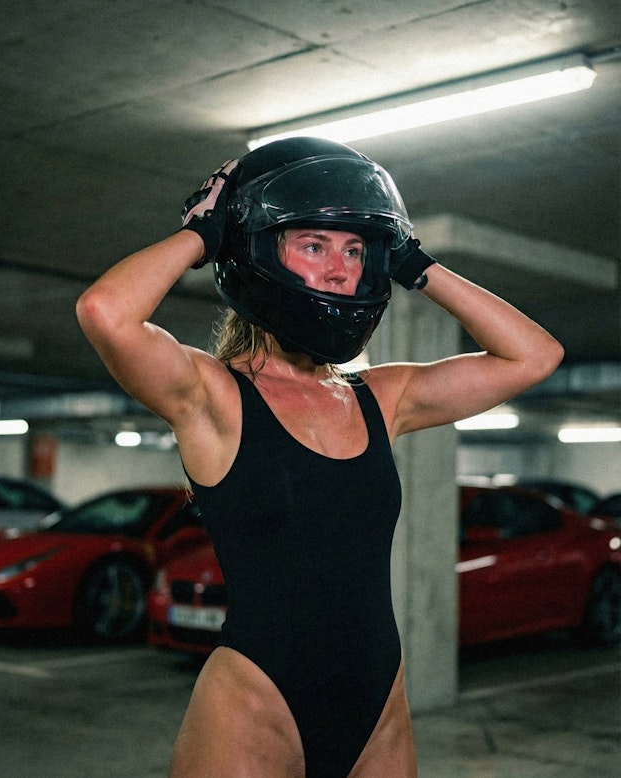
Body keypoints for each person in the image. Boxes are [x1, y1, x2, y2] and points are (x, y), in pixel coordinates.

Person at [76, 137, 564, 777]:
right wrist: (205, 234)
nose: (341, 270)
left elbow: (535, 356)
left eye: (355, 250)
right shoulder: (212, 397)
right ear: (258, 252)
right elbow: (105, 313)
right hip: (255, 708)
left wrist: (414, 262)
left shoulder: (380, 398)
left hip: (378, 706)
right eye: (314, 245)